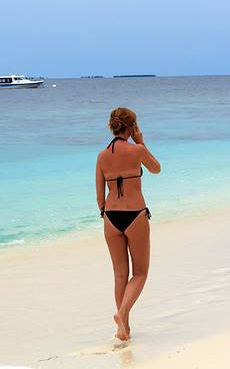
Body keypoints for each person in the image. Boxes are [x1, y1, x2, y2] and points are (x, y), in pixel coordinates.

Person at [95, 107, 161, 341]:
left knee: (120, 275)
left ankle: (123, 328)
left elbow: (99, 197)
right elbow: (156, 169)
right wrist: (141, 141)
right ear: (132, 127)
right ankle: (122, 313)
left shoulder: (102, 155)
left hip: (110, 218)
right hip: (135, 215)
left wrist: (105, 215)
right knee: (140, 273)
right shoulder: (137, 150)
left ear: (112, 126)